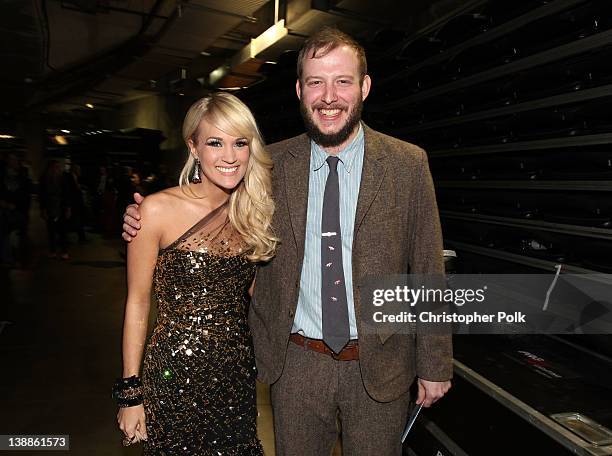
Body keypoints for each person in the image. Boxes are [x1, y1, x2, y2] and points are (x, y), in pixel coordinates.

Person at [123, 27, 452, 456]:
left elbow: (427, 268)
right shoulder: (269, 165)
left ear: (365, 87)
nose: (329, 96)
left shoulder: (407, 164)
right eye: (316, 82)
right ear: (300, 89)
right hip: (295, 363)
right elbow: (208, 195)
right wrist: (142, 217)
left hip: (382, 365)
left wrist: (435, 364)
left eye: (342, 81)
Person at [114, 92, 276, 455]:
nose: (230, 156)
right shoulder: (155, 210)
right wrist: (130, 393)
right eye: (215, 142)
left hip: (235, 374)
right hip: (174, 375)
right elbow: (138, 302)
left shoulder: (253, 214)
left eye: (240, 143)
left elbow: (254, 295)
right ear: (194, 146)